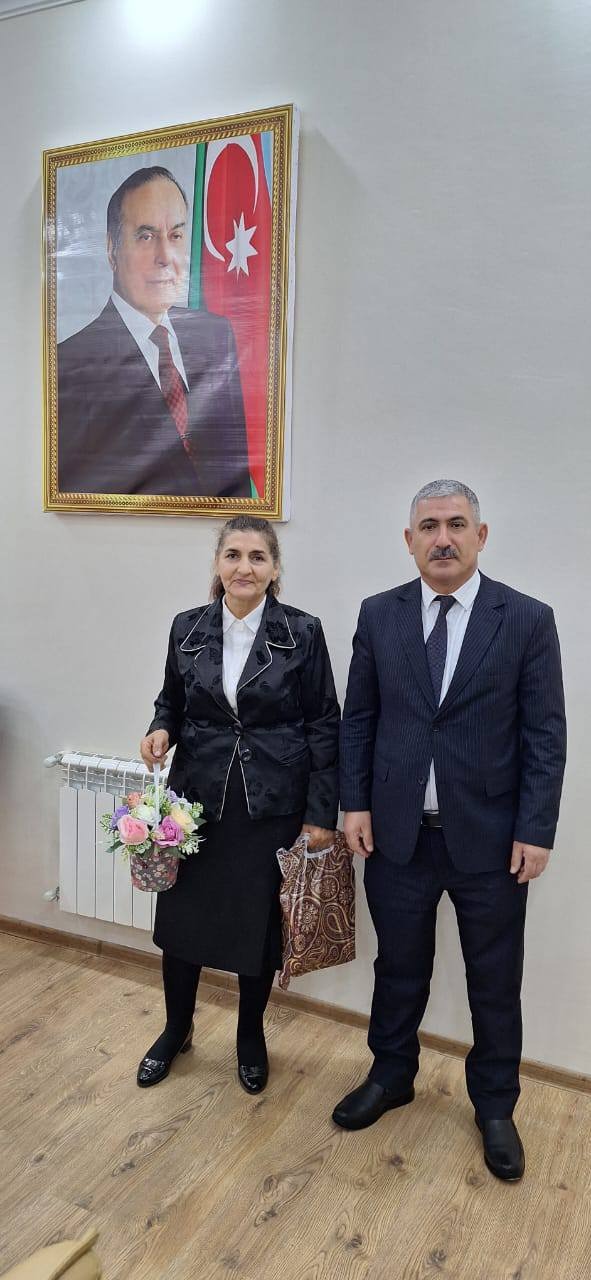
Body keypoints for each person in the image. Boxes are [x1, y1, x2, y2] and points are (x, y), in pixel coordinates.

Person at [334, 479, 566, 1181]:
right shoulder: (379, 615)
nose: (443, 538)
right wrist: (354, 803)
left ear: (480, 536)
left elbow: (544, 734)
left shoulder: (526, 619)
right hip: (396, 836)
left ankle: (494, 1105)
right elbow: (359, 718)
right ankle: (390, 1075)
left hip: (491, 842)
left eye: (456, 524)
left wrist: (535, 828)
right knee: (398, 968)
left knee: (493, 980)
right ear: (409, 540)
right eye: (429, 526)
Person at [138, 515, 340, 1093]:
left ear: (274, 569)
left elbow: (325, 722)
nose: (243, 567)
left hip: (270, 803)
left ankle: (250, 1035)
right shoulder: (187, 627)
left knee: (258, 929)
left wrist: (321, 812)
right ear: (217, 564)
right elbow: (171, 700)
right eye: (233, 555)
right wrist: (159, 728)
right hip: (195, 804)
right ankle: (176, 1028)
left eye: (257, 557)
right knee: (181, 925)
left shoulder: (302, 632)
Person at [57, 166, 250, 498]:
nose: (165, 257)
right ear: (112, 250)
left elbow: (236, 478)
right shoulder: (69, 365)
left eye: (175, 236)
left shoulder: (216, 336)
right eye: (146, 237)